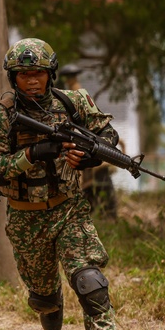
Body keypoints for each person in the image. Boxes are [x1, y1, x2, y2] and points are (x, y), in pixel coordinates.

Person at [0, 38, 123, 330]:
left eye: (38, 73)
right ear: (14, 78)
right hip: (26, 218)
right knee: (44, 300)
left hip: (69, 209)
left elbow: (108, 134)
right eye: (24, 75)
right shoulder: (0, 119)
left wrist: (90, 155)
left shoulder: (74, 103)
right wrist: (31, 155)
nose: (32, 81)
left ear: (50, 73)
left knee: (90, 283)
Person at [58, 63, 117, 218]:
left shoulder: (78, 95)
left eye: (71, 77)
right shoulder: (67, 96)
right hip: (77, 151)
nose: (70, 80)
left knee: (103, 194)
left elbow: (101, 128)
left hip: (90, 151)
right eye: (68, 78)